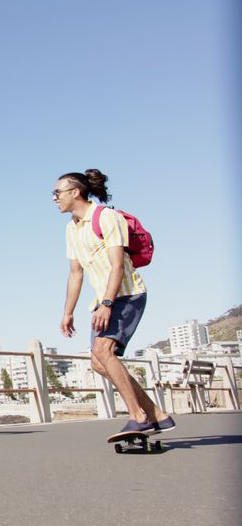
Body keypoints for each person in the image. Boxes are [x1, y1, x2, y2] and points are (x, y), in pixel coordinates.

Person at [53, 169, 174, 435]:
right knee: (98, 362)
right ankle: (156, 414)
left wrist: (107, 303)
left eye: (57, 192)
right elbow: (76, 273)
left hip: (126, 294)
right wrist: (67, 312)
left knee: (104, 351)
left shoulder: (106, 217)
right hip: (103, 300)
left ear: (76, 192)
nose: (54, 198)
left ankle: (138, 416)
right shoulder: (71, 228)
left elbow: (118, 265)